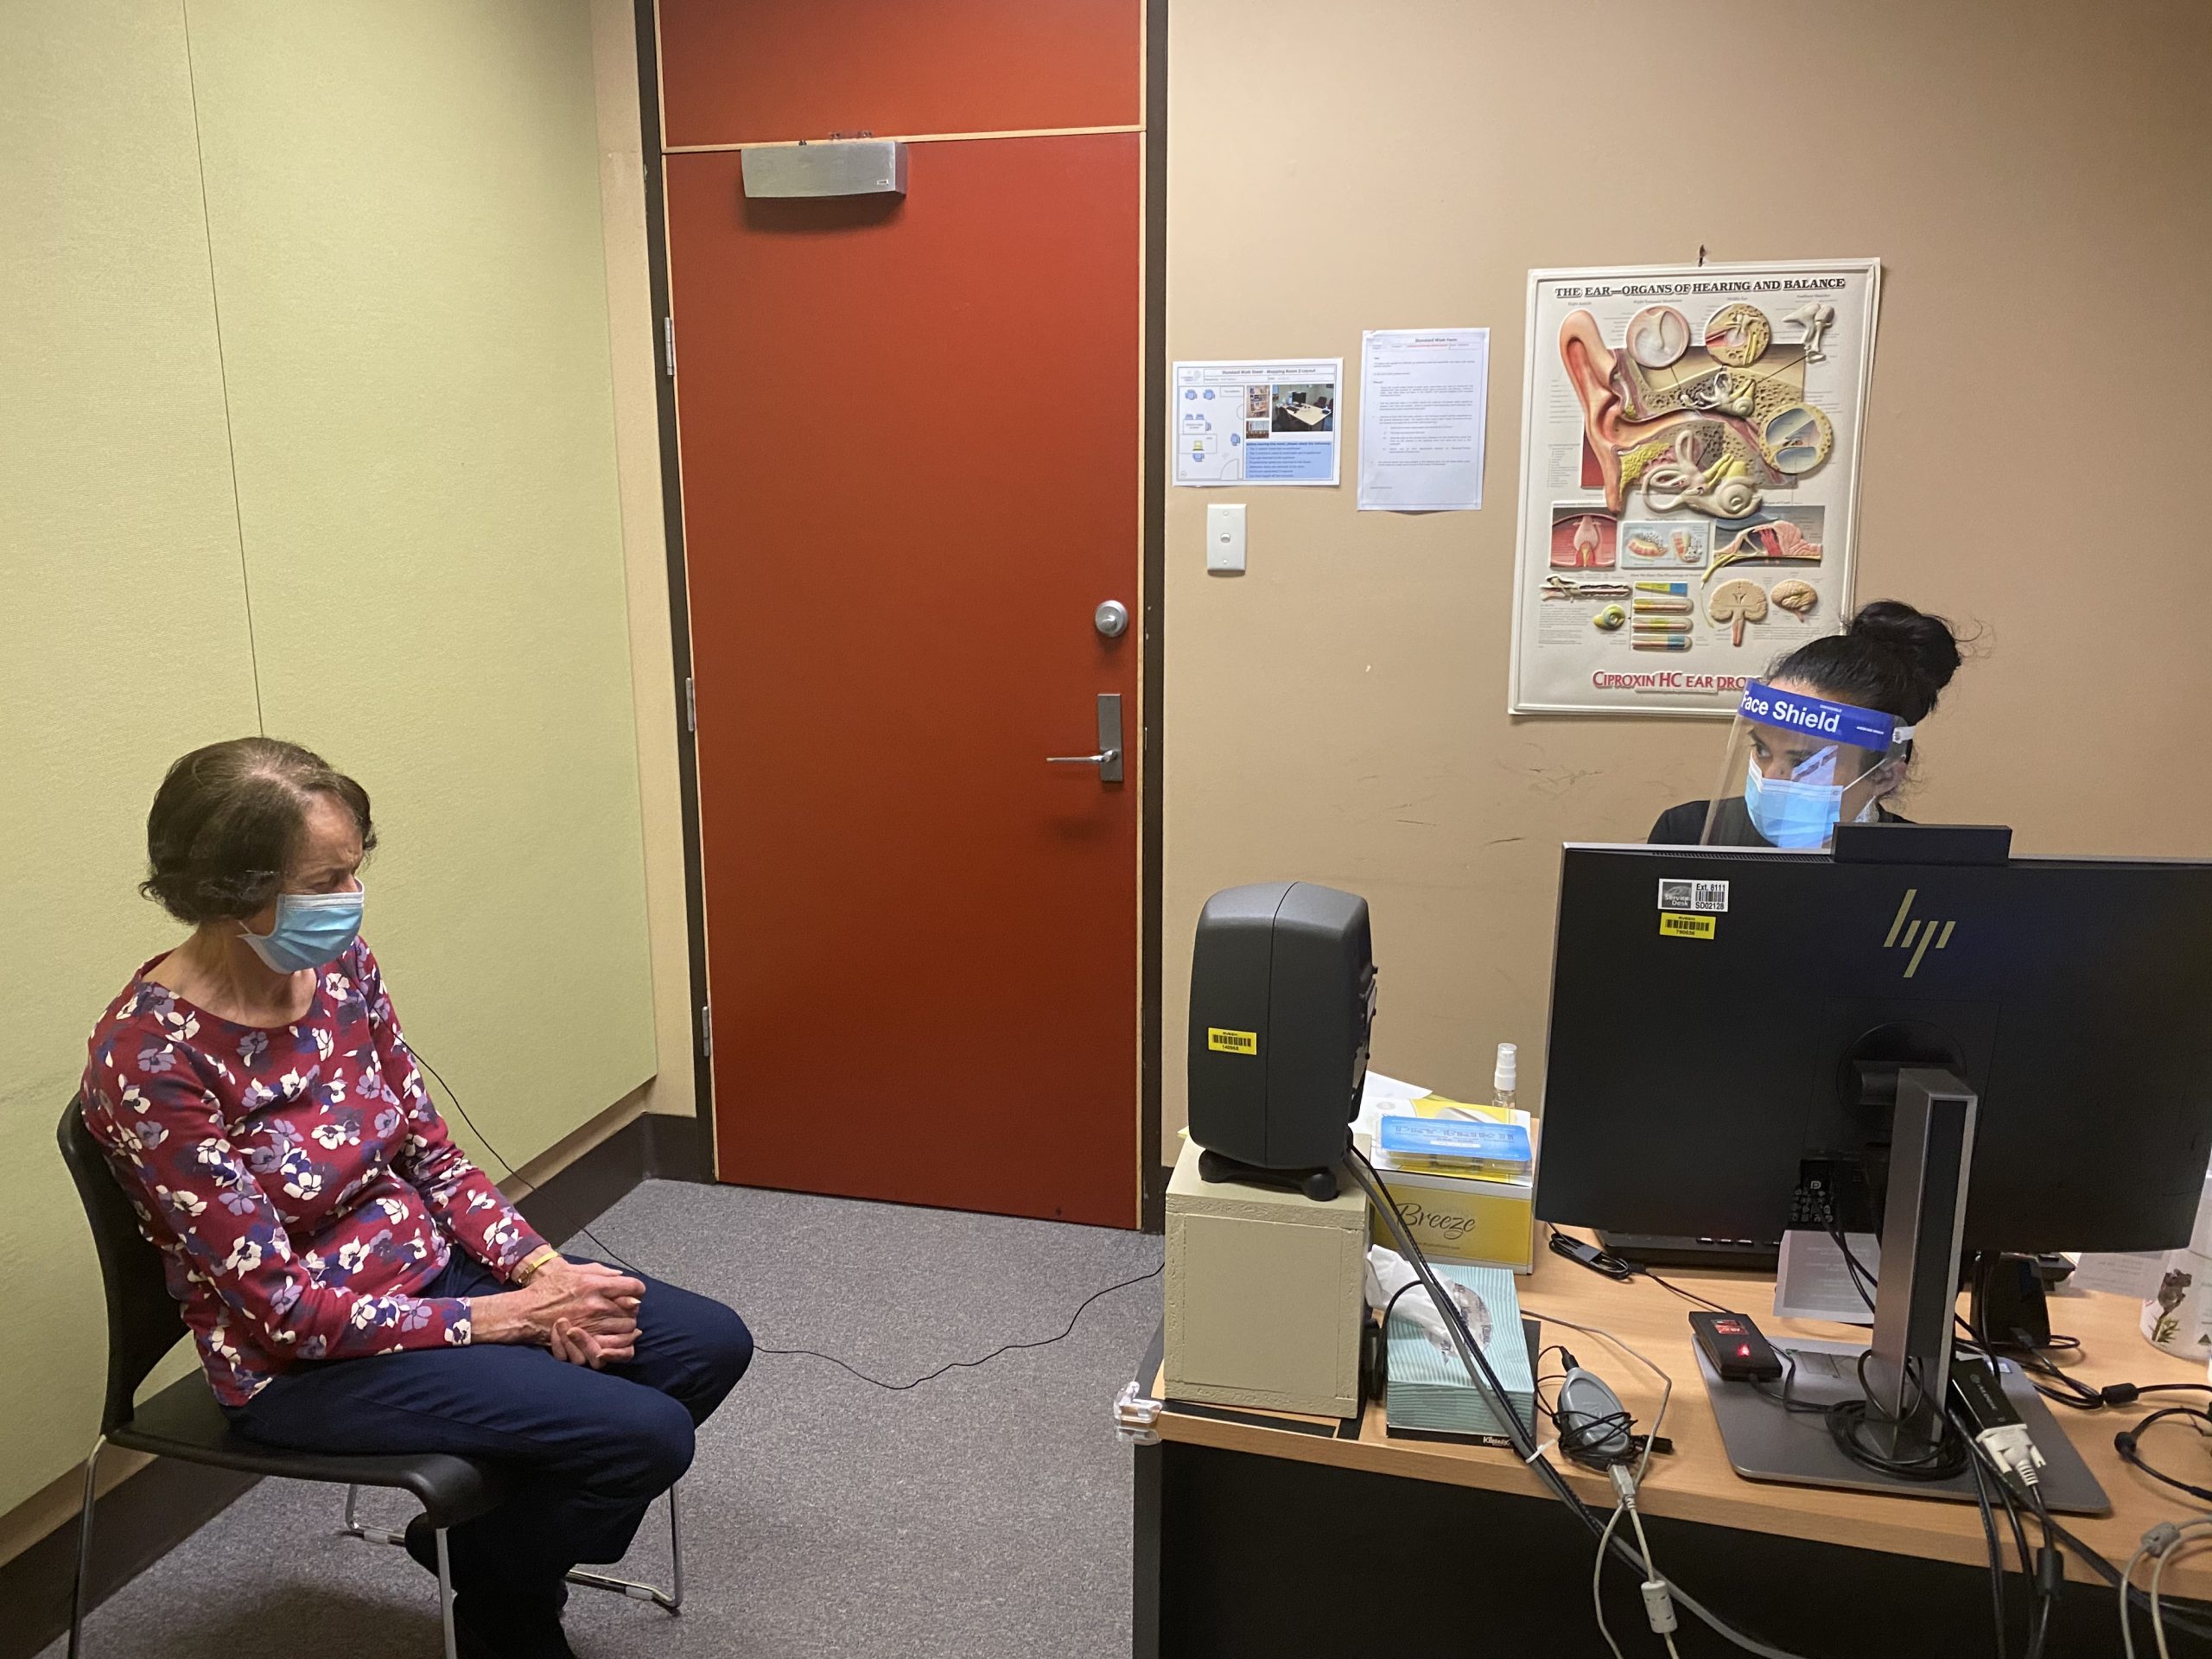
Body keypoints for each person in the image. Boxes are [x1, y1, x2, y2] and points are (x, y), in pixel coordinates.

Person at [79, 738, 751, 1659]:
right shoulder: (150, 1058)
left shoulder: (343, 973)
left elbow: (430, 1156)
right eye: (324, 881)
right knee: (643, 1435)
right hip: (307, 1361)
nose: (349, 900)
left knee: (705, 1344)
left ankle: (481, 1551)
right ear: (228, 888)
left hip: (437, 1276)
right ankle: (503, 1605)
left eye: (354, 870)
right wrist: (516, 1319)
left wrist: (545, 1271)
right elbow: (284, 1313)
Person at [1649, 599, 1965, 849]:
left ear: (1884, 776)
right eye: (1761, 749)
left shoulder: (1928, 867)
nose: (1770, 778)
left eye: (1803, 761)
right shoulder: (1686, 834)